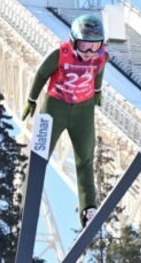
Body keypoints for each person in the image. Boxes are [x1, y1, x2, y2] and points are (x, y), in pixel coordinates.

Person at [22, 13, 107, 227]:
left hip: (83, 110)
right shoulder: (60, 54)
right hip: (55, 108)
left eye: (95, 46)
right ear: (73, 40)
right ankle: (27, 198)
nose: (89, 52)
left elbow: (99, 72)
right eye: (85, 45)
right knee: (41, 153)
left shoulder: (101, 56)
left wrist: (97, 90)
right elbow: (42, 74)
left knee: (85, 157)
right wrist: (32, 100)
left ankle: (88, 208)